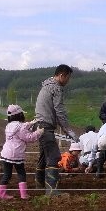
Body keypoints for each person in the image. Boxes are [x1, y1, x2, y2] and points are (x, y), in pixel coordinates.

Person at [34, 64, 77, 195]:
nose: (68, 81)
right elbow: (59, 110)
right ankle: (52, 191)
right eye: (68, 78)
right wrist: (67, 129)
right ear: (61, 75)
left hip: (39, 124)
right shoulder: (56, 88)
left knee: (43, 156)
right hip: (46, 125)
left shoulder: (46, 86)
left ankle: (39, 185)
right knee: (54, 156)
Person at [0, 104, 44, 199]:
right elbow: (29, 138)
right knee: (21, 173)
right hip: (17, 155)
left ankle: (1, 194)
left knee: (7, 174)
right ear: (20, 115)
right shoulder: (21, 127)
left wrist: (31, 123)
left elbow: (22, 127)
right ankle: (23, 194)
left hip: (6, 154)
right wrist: (38, 132)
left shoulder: (9, 125)